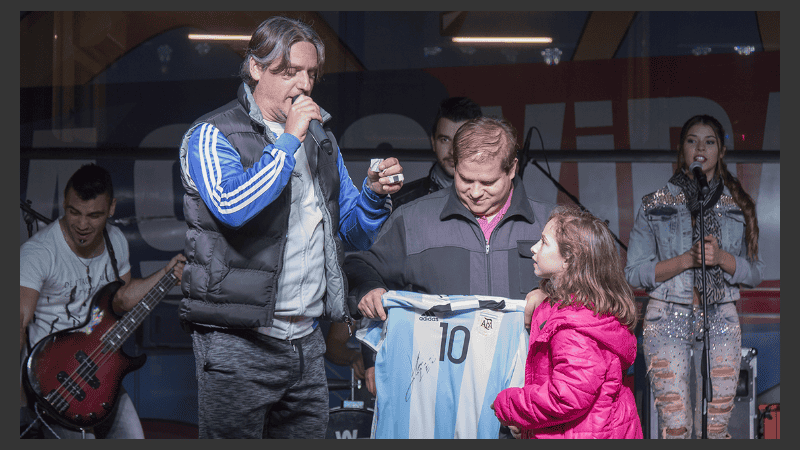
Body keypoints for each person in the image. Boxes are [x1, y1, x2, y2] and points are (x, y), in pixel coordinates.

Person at [177, 16, 403, 439]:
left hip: (305, 342)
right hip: (237, 342)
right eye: (287, 72)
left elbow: (352, 232)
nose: (302, 85)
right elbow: (232, 206)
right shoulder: (212, 135)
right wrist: (288, 140)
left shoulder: (321, 140)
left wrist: (373, 195)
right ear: (255, 68)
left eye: (310, 73)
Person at [346, 116, 554, 401]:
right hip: (439, 394)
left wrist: (556, 296)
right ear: (454, 166)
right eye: (466, 179)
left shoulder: (552, 225)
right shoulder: (413, 220)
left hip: (529, 393)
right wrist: (368, 288)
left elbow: (598, 292)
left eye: (488, 181)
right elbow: (359, 264)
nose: (476, 192)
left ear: (512, 169)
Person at [19, 163, 186, 439]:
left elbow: (121, 300)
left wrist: (166, 274)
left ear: (111, 208)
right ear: (64, 203)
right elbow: (18, 324)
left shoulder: (116, 241)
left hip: (100, 368)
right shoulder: (38, 253)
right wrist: (18, 399)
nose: (82, 225)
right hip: (53, 379)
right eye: (74, 212)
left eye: (94, 215)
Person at [625, 114, 764, 439]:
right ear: (681, 148)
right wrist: (686, 260)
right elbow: (633, 272)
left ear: (722, 150)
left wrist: (723, 259)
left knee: (717, 427)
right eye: (692, 140)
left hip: (721, 316)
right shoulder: (655, 204)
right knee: (675, 427)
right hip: (667, 315)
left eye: (709, 141)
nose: (700, 148)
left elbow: (756, 272)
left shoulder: (737, 203)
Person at [491, 204, 643, 439]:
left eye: (543, 242)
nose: (533, 248)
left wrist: (510, 404)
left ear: (568, 259)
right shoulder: (589, 311)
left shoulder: (574, 328)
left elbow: (566, 397)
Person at [390, 96, 482, 210]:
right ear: (433, 142)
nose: (453, 151)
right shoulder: (402, 201)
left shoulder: (497, 199)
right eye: (445, 140)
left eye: (463, 141)